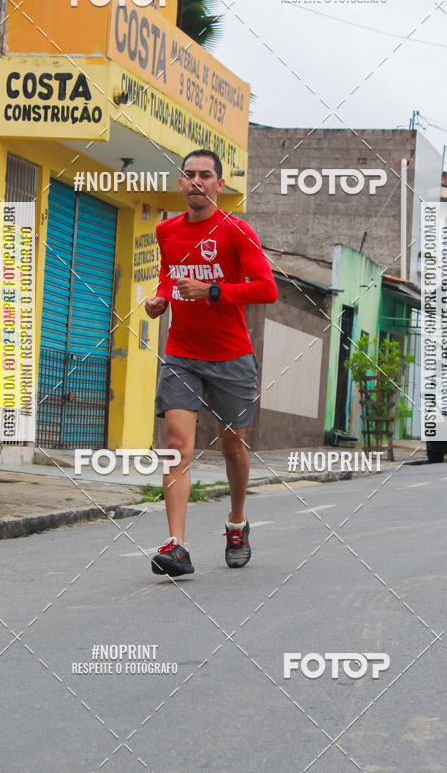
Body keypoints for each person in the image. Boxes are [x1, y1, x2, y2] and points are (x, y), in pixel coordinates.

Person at [145, 148, 278, 577]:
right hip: (182, 354)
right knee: (175, 445)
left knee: (232, 446)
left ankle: (236, 523)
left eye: (205, 175)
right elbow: (169, 271)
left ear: (220, 184)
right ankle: (176, 546)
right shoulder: (166, 231)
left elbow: (266, 289)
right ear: (181, 183)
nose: (196, 182)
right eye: (189, 175)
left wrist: (214, 291)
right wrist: (159, 298)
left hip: (231, 357)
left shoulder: (237, 231)